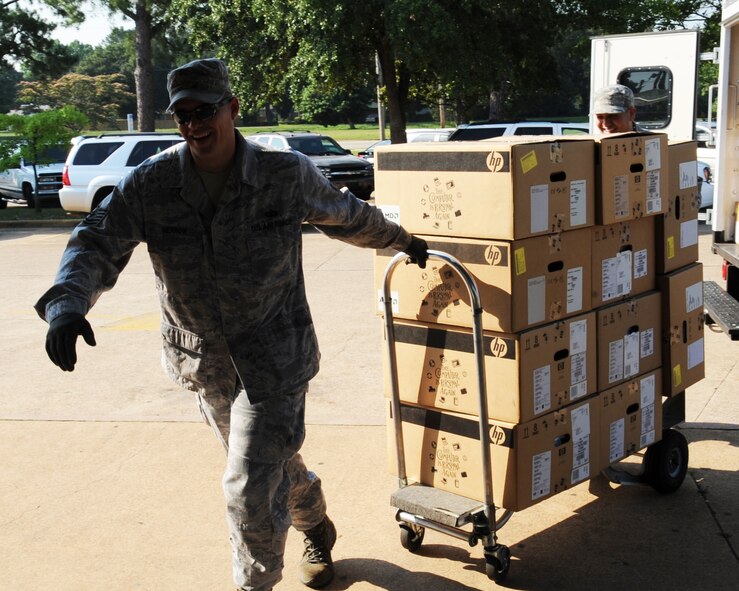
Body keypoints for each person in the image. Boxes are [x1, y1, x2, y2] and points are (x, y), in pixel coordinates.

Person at [35, 58, 428, 591]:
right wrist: (67, 304)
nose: (194, 125)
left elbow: (346, 214)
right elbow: (96, 242)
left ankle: (254, 584)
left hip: (276, 357)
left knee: (246, 485)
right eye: (182, 115)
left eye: (204, 111)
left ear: (232, 109)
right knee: (267, 462)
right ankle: (314, 520)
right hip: (205, 362)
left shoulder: (282, 175)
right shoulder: (150, 185)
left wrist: (403, 240)